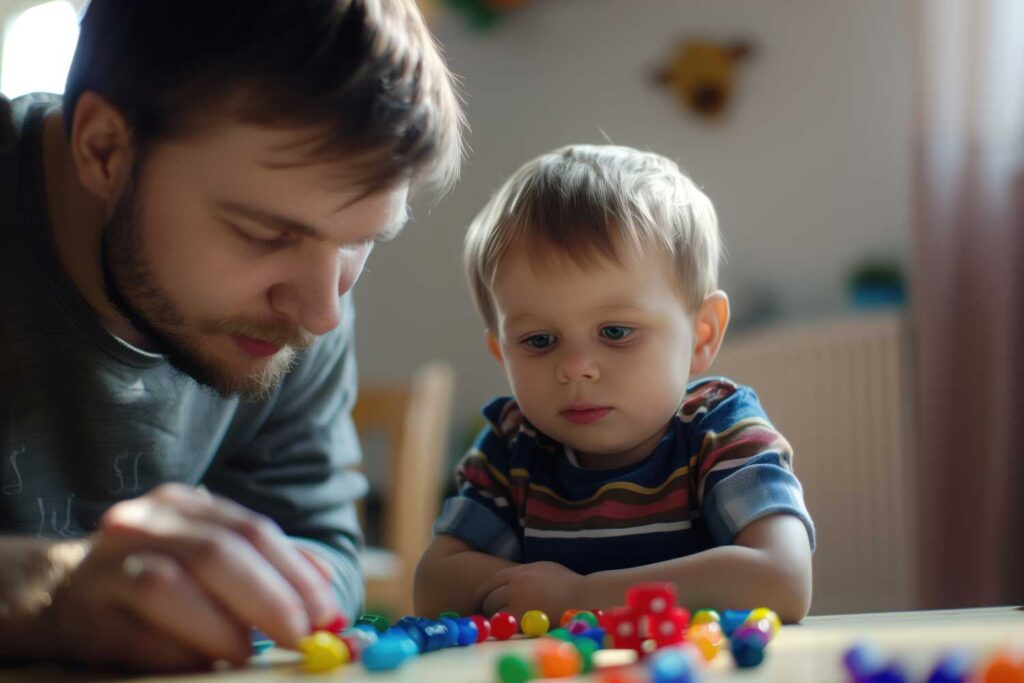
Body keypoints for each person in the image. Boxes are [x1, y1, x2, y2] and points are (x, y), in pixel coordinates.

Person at [0, 0, 463, 671]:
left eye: (360, 240)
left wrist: (269, 590)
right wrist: (48, 591)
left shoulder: (306, 290)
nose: (319, 311)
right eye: (265, 234)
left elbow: (318, 539)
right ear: (103, 148)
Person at [414, 145, 814, 624]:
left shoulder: (719, 430)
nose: (576, 367)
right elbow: (433, 585)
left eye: (616, 332)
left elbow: (783, 579)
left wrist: (579, 596)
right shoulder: (512, 445)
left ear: (701, 335)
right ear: (502, 352)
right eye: (539, 340)